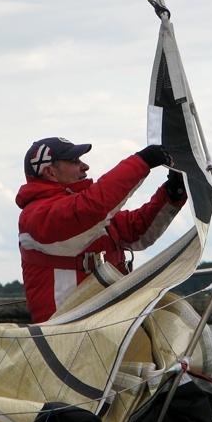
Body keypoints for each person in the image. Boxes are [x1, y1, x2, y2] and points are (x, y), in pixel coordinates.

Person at [16, 137, 187, 323]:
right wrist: (142, 162)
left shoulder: (81, 213)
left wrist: (172, 193)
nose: (85, 166)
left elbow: (136, 232)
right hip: (64, 335)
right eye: (75, 161)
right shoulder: (36, 216)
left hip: (103, 328)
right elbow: (92, 208)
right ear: (50, 172)